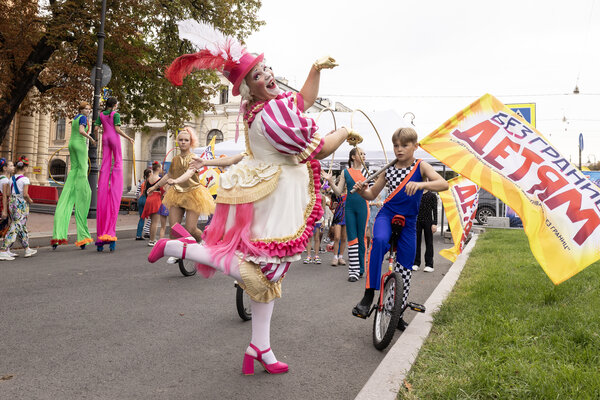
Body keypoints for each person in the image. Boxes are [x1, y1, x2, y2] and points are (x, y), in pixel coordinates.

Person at [148, 19, 360, 375]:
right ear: (248, 87)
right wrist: (344, 131)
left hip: (277, 191)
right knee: (263, 271)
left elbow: (303, 99)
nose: (268, 75)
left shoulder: (272, 105)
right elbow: (319, 149)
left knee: (271, 278)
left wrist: (314, 68)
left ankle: (259, 347)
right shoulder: (269, 117)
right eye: (259, 74)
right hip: (275, 198)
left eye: (267, 68)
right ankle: (178, 248)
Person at [350, 127, 448, 330]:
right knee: (378, 242)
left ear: (415, 146)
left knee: (405, 269)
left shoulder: (421, 166)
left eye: (405, 145)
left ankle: (398, 312)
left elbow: (443, 184)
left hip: (409, 222)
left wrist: (422, 185)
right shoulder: (389, 169)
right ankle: (369, 295)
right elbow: (371, 195)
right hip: (387, 215)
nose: (399, 149)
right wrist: (361, 191)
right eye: (396, 145)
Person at [147, 127, 215, 243]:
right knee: (174, 229)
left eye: (186, 140)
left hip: (193, 194)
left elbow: (189, 173)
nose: (183, 142)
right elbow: (169, 175)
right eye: (181, 140)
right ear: (177, 141)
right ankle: (177, 254)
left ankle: (205, 243)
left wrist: (176, 181)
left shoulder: (195, 158)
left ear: (191, 142)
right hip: (177, 194)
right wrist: (154, 187)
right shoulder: (175, 159)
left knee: (191, 229)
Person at [52, 101, 96, 250]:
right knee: (83, 176)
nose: (89, 111)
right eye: (87, 109)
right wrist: (90, 139)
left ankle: (58, 236)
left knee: (74, 172)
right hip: (80, 145)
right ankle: (82, 236)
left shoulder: (75, 117)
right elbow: (83, 131)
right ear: (82, 109)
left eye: (90, 109)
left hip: (71, 145)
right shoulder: (83, 118)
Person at [93, 97, 134, 252]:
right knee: (117, 163)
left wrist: (94, 137)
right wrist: (128, 137)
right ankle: (115, 174)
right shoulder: (115, 114)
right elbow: (117, 129)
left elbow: (96, 128)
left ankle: (104, 175)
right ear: (115, 105)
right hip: (114, 138)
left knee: (105, 163)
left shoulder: (101, 114)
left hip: (104, 138)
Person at [323, 148, 370, 281]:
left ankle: (362, 268)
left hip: (363, 207)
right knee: (352, 238)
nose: (364, 155)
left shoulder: (367, 172)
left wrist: (366, 188)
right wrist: (331, 181)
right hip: (348, 208)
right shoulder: (345, 172)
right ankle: (353, 271)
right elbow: (338, 192)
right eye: (361, 153)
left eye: (364, 153)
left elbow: (372, 194)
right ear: (353, 156)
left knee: (362, 238)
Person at [1, 156, 37, 258]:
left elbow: (7, 193)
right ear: (25, 168)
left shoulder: (11, 179)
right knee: (16, 225)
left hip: (12, 202)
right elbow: (25, 194)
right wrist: (30, 201)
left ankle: (27, 248)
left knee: (21, 225)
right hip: (20, 203)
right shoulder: (25, 179)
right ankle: (3, 249)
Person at [142, 161, 169, 246]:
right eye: (160, 167)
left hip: (149, 199)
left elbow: (146, 190)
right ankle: (152, 240)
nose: (161, 169)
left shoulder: (149, 179)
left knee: (151, 221)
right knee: (155, 222)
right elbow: (163, 190)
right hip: (156, 199)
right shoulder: (159, 179)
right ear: (158, 168)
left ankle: (152, 239)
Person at [413, 189, 438, 272]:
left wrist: (435, 223)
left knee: (429, 242)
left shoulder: (432, 195)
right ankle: (416, 263)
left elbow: (435, 210)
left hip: (428, 221)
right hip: (417, 221)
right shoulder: (416, 194)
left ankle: (429, 264)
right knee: (416, 242)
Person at [0, 158, 16, 260]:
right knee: (5, 227)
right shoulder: (5, 180)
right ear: (5, 168)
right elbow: (6, 195)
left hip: (2, 204)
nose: (13, 167)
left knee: (5, 227)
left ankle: (6, 250)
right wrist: (5, 210)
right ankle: (3, 250)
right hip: (3, 205)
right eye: (10, 166)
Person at [329, 189, 348, 266]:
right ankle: (335, 257)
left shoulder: (350, 193)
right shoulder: (335, 194)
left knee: (344, 238)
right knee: (337, 237)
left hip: (346, 217)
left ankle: (340, 257)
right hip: (338, 217)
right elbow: (331, 207)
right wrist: (333, 206)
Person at [135, 168, 151, 240]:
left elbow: (137, 193)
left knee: (141, 218)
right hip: (147, 200)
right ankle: (147, 231)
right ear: (149, 174)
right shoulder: (150, 182)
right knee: (152, 217)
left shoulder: (141, 182)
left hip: (141, 199)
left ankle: (138, 235)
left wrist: (138, 198)